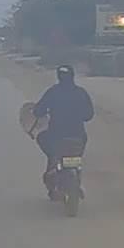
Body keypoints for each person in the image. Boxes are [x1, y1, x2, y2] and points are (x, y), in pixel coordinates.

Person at [32, 65, 94, 197]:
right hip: (78, 135)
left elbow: (38, 111)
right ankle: (73, 174)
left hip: (56, 135)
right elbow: (89, 115)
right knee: (76, 155)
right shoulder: (81, 92)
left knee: (42, 139)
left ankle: (53, 164)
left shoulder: (52, 92)